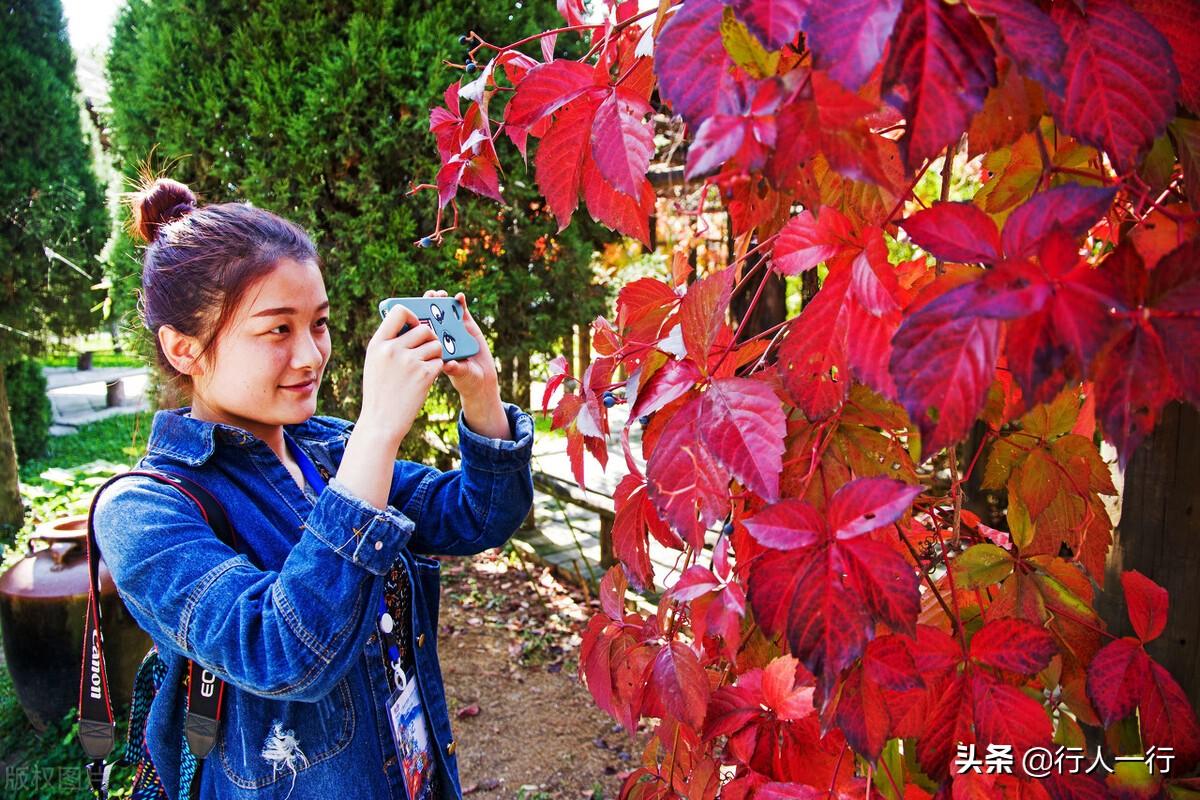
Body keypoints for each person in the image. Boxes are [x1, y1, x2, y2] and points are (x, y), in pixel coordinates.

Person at [92, 177, 535, 800]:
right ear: (184, 348)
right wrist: (377, 433)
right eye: (278, 329)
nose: (311, 355)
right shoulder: (143, 510)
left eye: (319, 324)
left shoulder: (327, 450)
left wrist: (481, 394)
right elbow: (282, 654)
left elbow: (479, 516)